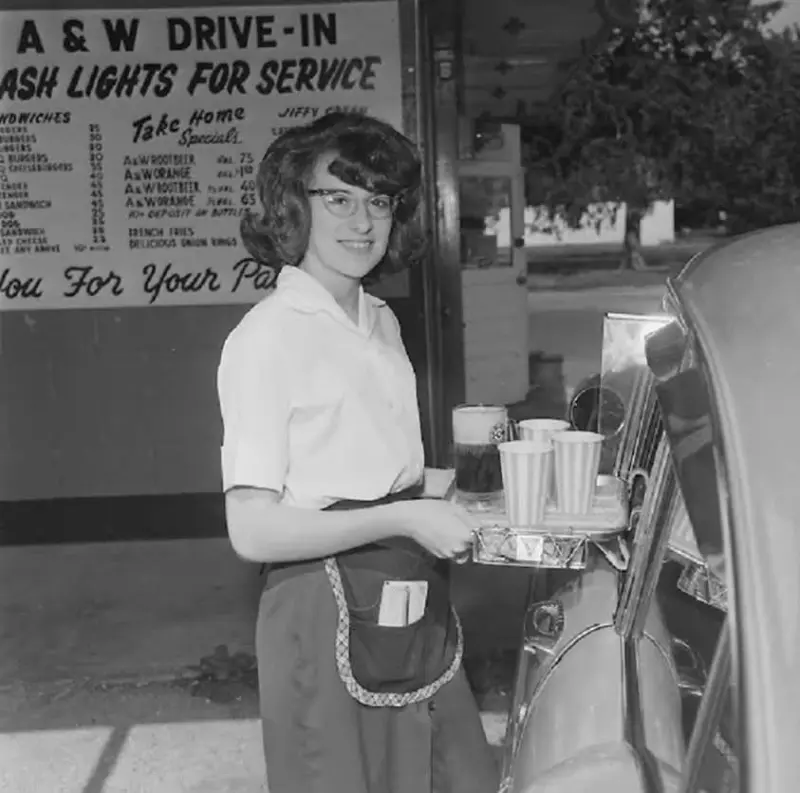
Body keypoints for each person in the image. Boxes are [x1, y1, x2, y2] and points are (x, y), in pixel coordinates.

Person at [216, 111, 499, 793]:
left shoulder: (381, 320)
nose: (362, 220)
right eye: (337, 198)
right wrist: (402, 518)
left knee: (449, 771)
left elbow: (365, 468)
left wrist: (449, 488)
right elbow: (252, 527)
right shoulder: (267, 338)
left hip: (406, 585)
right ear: (292, 205)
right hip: (319, 606)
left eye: (378, 200)